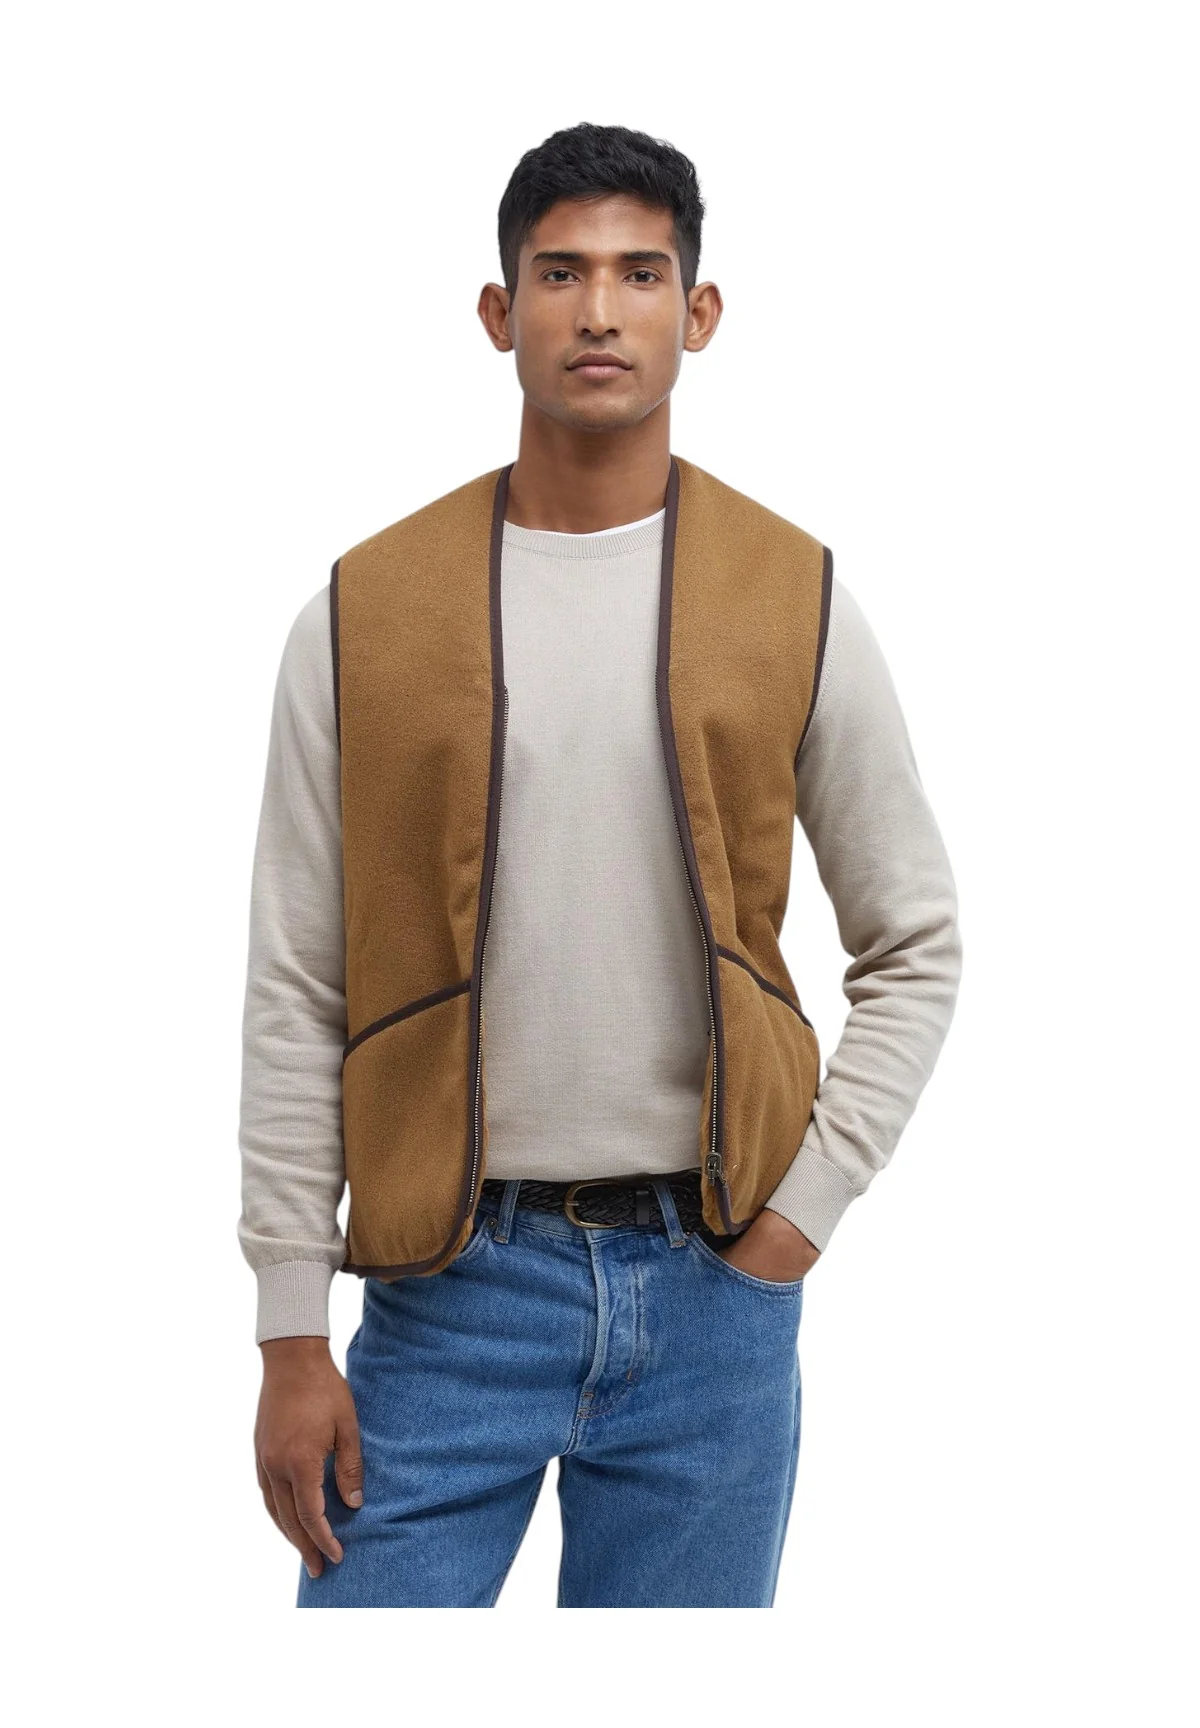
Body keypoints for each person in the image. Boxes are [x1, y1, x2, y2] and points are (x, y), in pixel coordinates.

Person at [238, 120, 963, 1608]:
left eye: (641, 273)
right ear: (499, 312)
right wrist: (290, 1325)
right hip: (446, 1290)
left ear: (699, 314)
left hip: (716, 1289)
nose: (600, 311)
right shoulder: (362, 614)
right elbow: (299, 979)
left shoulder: (797, 596)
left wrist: (802, 1217)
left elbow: (915, 940)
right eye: (560, 273)